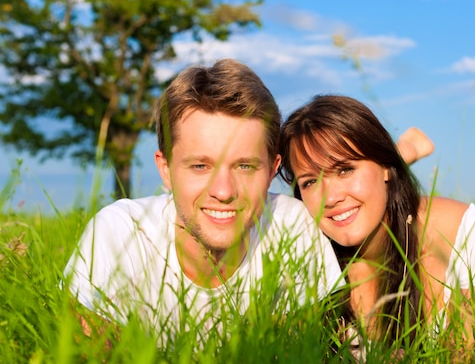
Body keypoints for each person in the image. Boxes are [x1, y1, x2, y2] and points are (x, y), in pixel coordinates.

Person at [63, 60, 344, 345]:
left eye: (244, 166)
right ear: (166, 169)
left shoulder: (291, 225)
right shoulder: (120, 233)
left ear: (272, 170)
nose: (223, 191)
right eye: (200, 166)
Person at [278, 94, 475, 360]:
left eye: (345, 170)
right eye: (310, 182)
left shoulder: (465, 234)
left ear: (387, 167)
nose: (330, 199)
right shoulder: (300, 254)